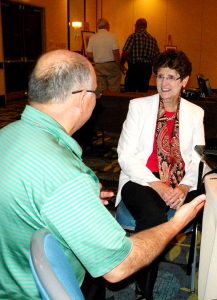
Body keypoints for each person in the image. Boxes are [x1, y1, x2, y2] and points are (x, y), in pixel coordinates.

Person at [0, 49, 205, 300]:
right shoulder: (68, 176)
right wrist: (176, 223)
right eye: (97, 93)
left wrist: (77, 199)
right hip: (51, 288)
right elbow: (118, 266)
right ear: (82, 98)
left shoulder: (6, 135)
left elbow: (35, 193)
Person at [115, 49, 205, 299]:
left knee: (206, 198)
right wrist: (158, 185)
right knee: (155, 215)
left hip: (180, 181)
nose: (164, 83)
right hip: (142, 179)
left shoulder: (196, 113)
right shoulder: (138, 107)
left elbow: (197, 158)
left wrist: (184, 188)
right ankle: (145, 290)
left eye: (171, 77)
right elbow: (126, 156)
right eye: (160, 76)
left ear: (184, 81)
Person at [121, 18, 160, 93]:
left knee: (130, 92)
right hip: (147, 69)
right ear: (146, 26)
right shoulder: (152, 39)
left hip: (134, 68)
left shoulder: (133, 37)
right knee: (143, 92)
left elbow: (126, 52)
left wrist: (121, 64)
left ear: (137, 26)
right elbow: (157, 56)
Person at [86, 18, 121, 94]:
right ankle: (113, 104)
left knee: (101, 89)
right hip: (111, 65)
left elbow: (89, 54)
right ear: (107, 26)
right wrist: (119, 65)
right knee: (114, 88)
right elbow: (116, 53)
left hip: (98, 66)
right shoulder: (112, 36)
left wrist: (97, 56)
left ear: (98, 27)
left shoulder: (92, 38)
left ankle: (103, 104)